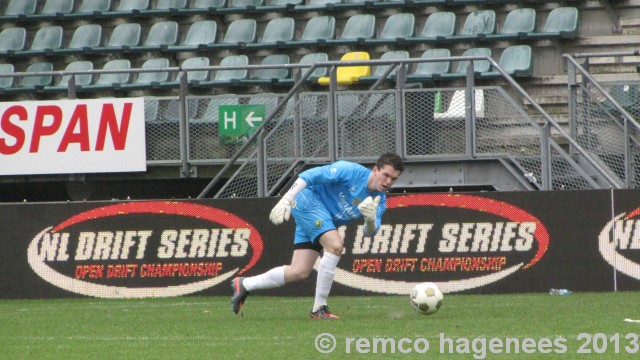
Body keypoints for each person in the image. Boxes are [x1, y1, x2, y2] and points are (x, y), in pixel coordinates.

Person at [231, 153, 405, 319]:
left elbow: (370, 233)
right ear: (375, 170)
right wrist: (287, 198)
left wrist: (370, 219)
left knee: (299, 271)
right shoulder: (350, 171)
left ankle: (245, 284)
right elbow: (309, 175)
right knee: (335, 246)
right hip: (308, 200)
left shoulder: (380, 200)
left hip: (321, 218)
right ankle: (319, 308)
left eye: (394, 179)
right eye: (386, 175)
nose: (388, 182)